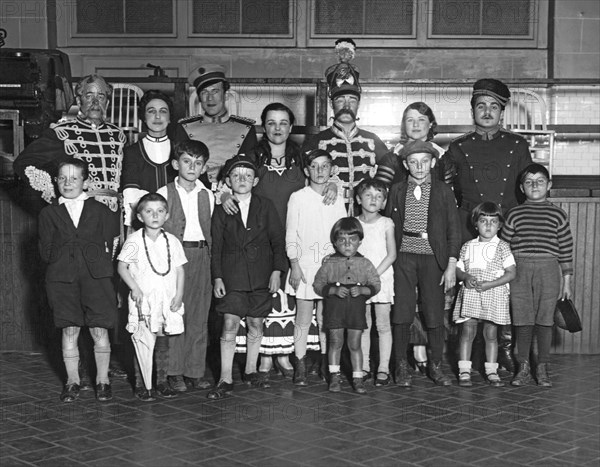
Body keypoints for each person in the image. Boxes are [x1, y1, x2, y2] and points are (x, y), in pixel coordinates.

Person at [442, 78, 533, 374]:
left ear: (502, 112)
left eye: (494, 106)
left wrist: (516, 224)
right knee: (467, 289)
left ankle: (503, 350)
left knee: (508, 287)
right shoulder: (458, 147)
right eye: (481, 106)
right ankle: (467, 355)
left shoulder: (518, 145)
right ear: (472, 110)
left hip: (507, 225)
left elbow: (526, 189)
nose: (487, 111)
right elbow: (445, 190)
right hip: (468, 225)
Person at [38, 159, 119, 402]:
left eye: (74, 178)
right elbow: (45, 250)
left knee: (98, 328)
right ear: (55, 181)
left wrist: (101, 268)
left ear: (86, 182)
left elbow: (113, 245)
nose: (67, 183)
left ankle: (103, 381)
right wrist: (64, 262)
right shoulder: (48, 212)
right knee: (70, 329)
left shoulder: (101, 211)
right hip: (62, 280)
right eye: (62, 178)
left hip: (97, 278)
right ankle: (72, 381)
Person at [208, 156, 287, 399]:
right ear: (228, 181)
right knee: (230, 324)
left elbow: (277, 241)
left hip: (261, 275)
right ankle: (225, 377)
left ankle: (251, 370)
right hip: (232, 276)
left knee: (256, 323)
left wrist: (277, 271)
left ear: (255, 181)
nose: (242, 180)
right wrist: (218, 277)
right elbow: (217, 246)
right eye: (236, 175)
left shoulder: (266, 205)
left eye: (247, 176)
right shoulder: (222, 208)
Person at [385, 140, 461, 387]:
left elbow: (453, 229)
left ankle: (436, 365)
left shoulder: (442, 190)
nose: (419, 167)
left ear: (433, 163)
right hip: (404, 257)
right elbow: (388, 227)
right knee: (402, 312)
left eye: (425, 161)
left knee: (434, 312)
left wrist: (450, 264)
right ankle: (401, 366)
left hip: (432, 258)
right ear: (406, 164)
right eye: (414, 162)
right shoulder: (396, 190)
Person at [501, 164, 574, 388]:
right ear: (522, 187)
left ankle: (542, 367)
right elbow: (503, 246)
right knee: (522, 320)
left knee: (544, 320)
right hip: (519, 270)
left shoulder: (558, 214)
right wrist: (504, 276)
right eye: (529, 182)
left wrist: (567, 282)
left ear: (549, 185)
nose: (535, 185)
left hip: (548, 269)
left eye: (540, 181)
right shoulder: (514, 213)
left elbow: (565, 249)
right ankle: (522, 367)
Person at [14, 74, 125, 212]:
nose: (95, 102)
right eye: (89, 96)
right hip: (77, 212)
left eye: (101, 97)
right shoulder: (63, 133)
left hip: (112, 214)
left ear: (107, 103)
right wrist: (53, 190)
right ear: (79, 101)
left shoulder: (117, 135)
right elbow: (23, 162)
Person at [302, 39, 388, 215]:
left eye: (352, 100)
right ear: (332, 104)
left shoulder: (373, 140)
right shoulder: (316, 141)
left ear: (358, 104)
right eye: (340, 100)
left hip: (366, 215)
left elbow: (391, 168)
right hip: (327, 212)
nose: (346, 105)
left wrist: (374, 193)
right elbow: (303, 180)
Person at [156, 140, 214, 392]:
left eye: (198, 163)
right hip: (175, 259)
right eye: (187, 161)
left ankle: (195, 371)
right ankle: (174, 372)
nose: (192, 167)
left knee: (199, 316)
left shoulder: (208, 195)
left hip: (201, 255)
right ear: (175, 164)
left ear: (204, 168)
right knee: (175, 314)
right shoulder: (163, 193)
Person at [285, 149, 347, 385]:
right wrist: (295, 264)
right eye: (314, 166)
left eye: (324, 166)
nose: (319, 171)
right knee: (302, 317)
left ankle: (325, 362)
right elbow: (291, 233)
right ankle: (299, 364)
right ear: (306, 170)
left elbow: (343, 235)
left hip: (330, 266)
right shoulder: (298, 197)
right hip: (305, 265)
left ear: (331, 170)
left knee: (326, 317)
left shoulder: (337, 198)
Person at [117, 193, 187, 401]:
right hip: (144, 300)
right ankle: (141, 383)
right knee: (144, 340)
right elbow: (122, 267)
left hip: (166, 298)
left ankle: (161, 381)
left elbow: (180, 271)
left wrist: (179, 294)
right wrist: (135, 288)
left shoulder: (172, 241)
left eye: (160, 211)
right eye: (149, 211)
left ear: (166, 215)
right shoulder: (134, 240)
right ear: (139, 216)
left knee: (163, 340)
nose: (154, 215)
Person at [313, 217, 381, 394]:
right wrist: (332, 291)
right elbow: (318, 284)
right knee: (335, 342)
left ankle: (358, 379)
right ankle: (334, 378)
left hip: (355, 311)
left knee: (355, 344)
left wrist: (364, 291)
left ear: (360, 241)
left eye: (352, 239)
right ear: (335, 242)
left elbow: (376, 284)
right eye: (342, 240)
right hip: (335, 310)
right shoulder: (330, 263)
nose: (347, 244)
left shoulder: (365, 263)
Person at [453, 202, 516, 387]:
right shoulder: (467, 246)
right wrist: (465, 276)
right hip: (472, 293)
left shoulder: (503, 247)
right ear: (475, 224)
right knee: (467, 331)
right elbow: (458, 268)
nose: (488, 226)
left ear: (499, 225)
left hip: (493, 293)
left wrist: (491, 284)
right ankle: (464, 370)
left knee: (491, 334)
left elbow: (511, 273)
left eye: (493, 221)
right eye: (483, 221)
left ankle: (491, 371)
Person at [175, 64, 257, 190]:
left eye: (215, 91)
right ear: (199, 98)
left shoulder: (245, 128)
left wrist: (224, 170)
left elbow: (249, 166)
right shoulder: (185, 127)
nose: (210, 98)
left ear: (225, 95)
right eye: (204, 93)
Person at [355, 179, 396, 386]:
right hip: (359, 281)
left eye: (379, 197)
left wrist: (373, 276)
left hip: (381, 279)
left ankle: (383, 368)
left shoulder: (386, 223)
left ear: (383, 202)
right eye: (369, 195)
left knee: (383, 325)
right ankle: (364, 366)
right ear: (358, 198)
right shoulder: (353, 223)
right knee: (363, 326)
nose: (374, 200)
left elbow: (391, 255)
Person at [121, 90, 177, 228]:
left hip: (177, 224)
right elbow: (131, 193)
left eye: (163, 111)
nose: (157, 116)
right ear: (144, 118)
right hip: (144, 226)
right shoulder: (131, 152)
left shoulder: (180, 151)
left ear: (170, 118)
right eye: (151, 111)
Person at [376, 101, 445, 187]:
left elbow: (450, 196)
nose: (415, 125)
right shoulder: (391, 159)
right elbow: (379, 193)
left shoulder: (443, 158)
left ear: (430, 124)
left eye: (421, 119)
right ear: (404, 125)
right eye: (410, 120)